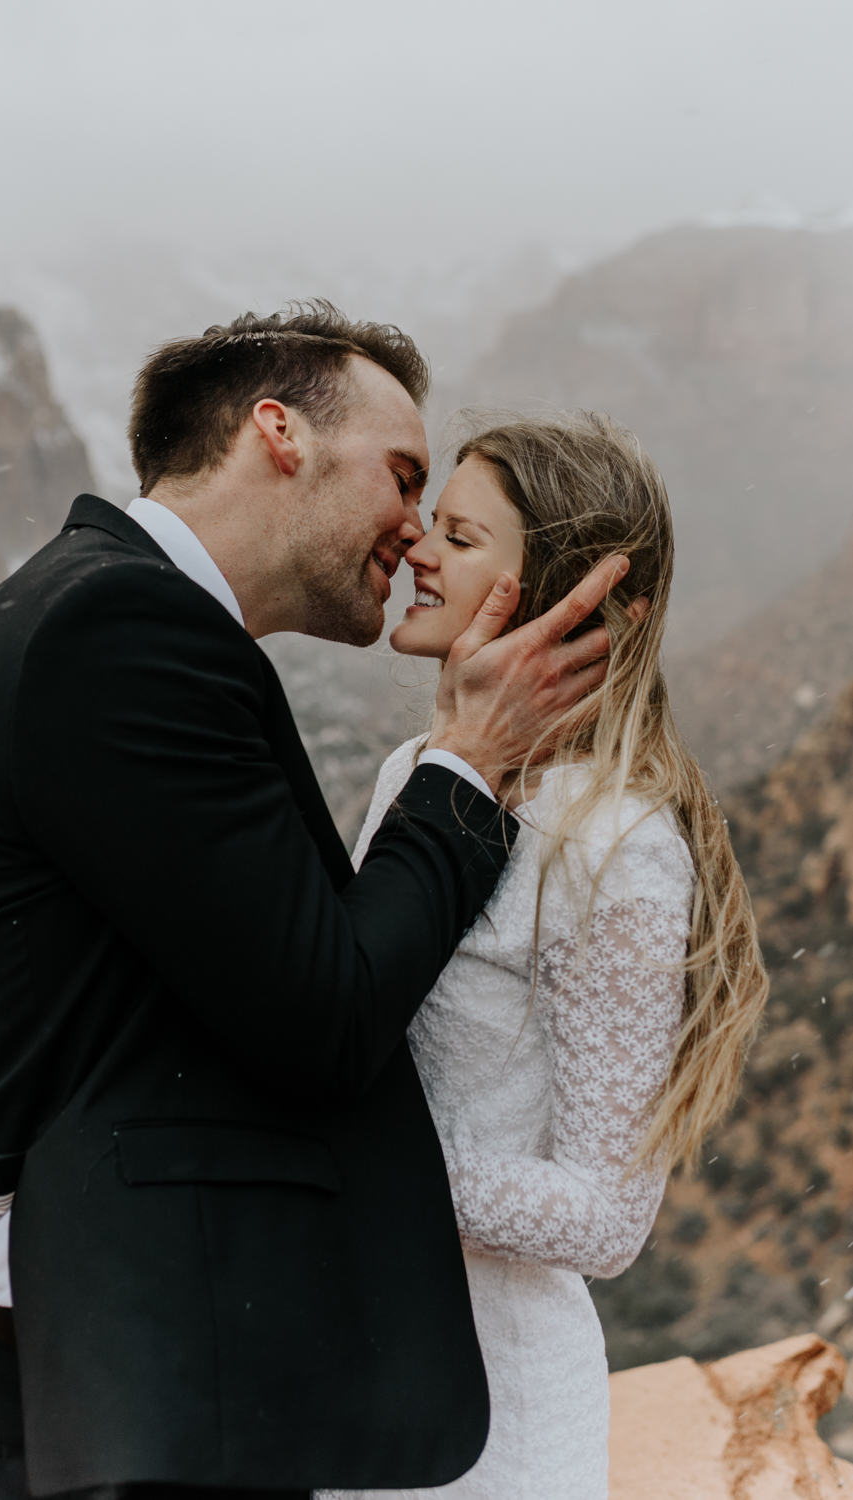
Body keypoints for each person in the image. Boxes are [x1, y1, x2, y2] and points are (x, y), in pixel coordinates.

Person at [0, 306, 626, 1500]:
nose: (412, 532)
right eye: (402, 476)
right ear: (280, 434)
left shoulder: (104, 609)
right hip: (146, 1398)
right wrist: (468, 764)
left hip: (136, 1374)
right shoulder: (120, 627)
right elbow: (322, 1015)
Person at [320, 412, 768, 1500]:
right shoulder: (408, 775)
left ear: (571, 605)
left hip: (492, 1401)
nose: (418, 549)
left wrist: (357, 1168)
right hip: (350, 1360)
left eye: (463, 539)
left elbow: (604, 1218)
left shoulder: (614, 849)